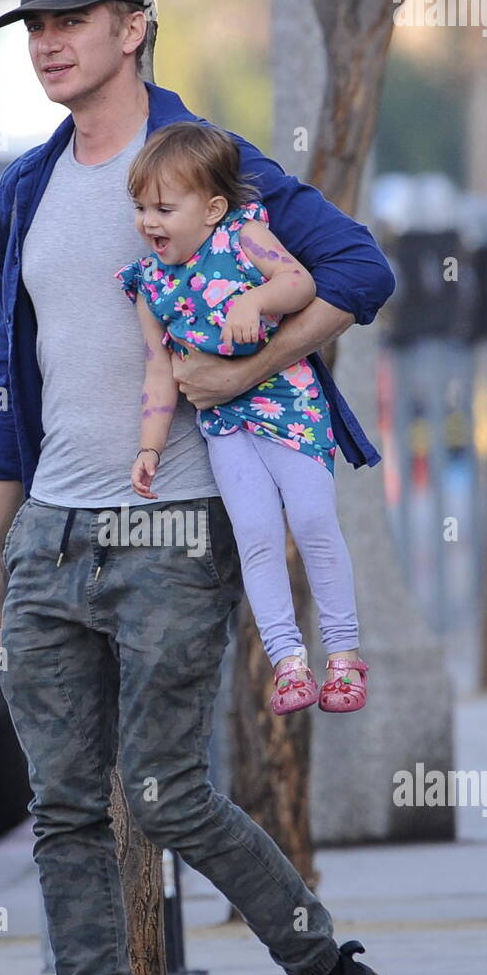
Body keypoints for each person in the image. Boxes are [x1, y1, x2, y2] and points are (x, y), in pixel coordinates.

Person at [0, 0, 398, 975]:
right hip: (52, 526)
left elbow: (364, 269)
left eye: (72, 21)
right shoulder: (24, 187)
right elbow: (15, 384)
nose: (49, 42)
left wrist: (236, 368)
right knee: (60, 808)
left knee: (164, 795)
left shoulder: (208, 165)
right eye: (33, 26)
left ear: (134, 28)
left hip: (175, 528)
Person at [118, 121, 370, 716]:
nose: (149, 221)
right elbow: (160, 373)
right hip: (225, 424)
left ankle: (343, 656)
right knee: (256, 536)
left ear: (211, 209)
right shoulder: (151, 283)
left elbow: (298, 280)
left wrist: (254, 300)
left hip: (290, 407)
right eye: (139, 207)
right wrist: (149, 447)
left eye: (163, 207)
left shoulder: (244, 237)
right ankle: (289, 663)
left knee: (312, 521)